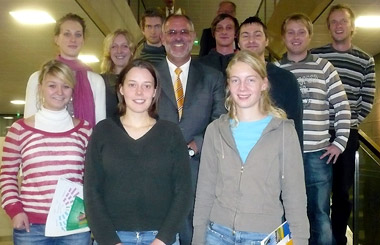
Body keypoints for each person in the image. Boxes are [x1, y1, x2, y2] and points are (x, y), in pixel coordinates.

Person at [192, 50, 309, 245]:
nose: (242, 87)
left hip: (264, 236)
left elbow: (295, 196)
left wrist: (301, 240)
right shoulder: (215, 130)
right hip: (217, 234)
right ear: (228, 85)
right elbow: (205, 191)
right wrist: (198, 238)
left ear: (264, 84)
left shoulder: (283, 132)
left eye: (250, 80)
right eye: (235, 80)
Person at [84, 59, 192, 245]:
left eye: (147, 85)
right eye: (132, 85)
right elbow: (92, 192)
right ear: (121, 89)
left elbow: (184, 192)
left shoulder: (171, 133)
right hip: (113, 237)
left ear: (155, 91)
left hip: (161, 237)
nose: (139, 92)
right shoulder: (103, 131)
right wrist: (109, 240)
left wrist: (163, 239)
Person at [277, 13, 351, 245]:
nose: (296, 37)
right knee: (283, 215)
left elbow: (342, 106)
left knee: (319, 214)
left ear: (309, 36)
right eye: (290, 32)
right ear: (283, 37)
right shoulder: (274, 70)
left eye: (301, 32)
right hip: (284, 156)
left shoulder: (325, 67)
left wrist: (339, 143)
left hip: (317, 155)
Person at [0, 60, 92, 244]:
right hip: (30, 226)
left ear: (72, 91)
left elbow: (91, 178)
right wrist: (14, 210)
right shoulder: (19, 129)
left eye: (66, 86)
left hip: (74, 225)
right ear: (41, 87)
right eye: (52, 85)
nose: (59, 92)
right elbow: (7, 176)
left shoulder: (85, 130)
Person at [156, 14, 226, 245]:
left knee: (195, 231)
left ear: (194, 37)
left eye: (184, 32)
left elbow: (221, 118)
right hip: (156, 168)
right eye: (172, 32)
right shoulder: (148, 75)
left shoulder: (213, 77)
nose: (178, 37)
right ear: (163, 38)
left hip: (200, 168)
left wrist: (198, 144)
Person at [310, 5, 377, 244]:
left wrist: (345, 127)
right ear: (329, 27)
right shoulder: (315, 56)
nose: (339, 26)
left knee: (341, 194)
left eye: (343, 21)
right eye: (334, 22)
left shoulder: (365, 60)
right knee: (316, 192)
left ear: (352, 27)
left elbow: (366, 100)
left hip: (347, 136)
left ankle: (338, 239)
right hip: (316, 134)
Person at [24, 13, 106, 127]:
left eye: (78, 35)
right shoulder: (37, 78)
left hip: (85, 143)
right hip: (44, 143)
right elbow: (28, 124)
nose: (73, 39)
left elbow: (100, 127)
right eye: (67, 34)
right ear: (56, 39)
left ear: (83, 40)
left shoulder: (96, 81)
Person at [237, 16, 303, 147]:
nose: (251, 40)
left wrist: (295, 163)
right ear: (238, 43)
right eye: (245, 36)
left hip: (276, 155)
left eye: (257, 35)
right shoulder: (228, 79)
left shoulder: (286, 79)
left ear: (266, 41)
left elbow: (295, 126)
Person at [101, 29, 134, 118]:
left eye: (124, 46)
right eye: (114, 46)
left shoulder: (140, 80)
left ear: (131, 51)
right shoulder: (99, 82)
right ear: (109, 52)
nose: (119, 51)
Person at [199, 13, 239, 78]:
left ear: (235, 33)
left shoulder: (244, 62)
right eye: (219, 28)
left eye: (229, 28)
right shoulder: (200, 64)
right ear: (214, 33)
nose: (224, 32)